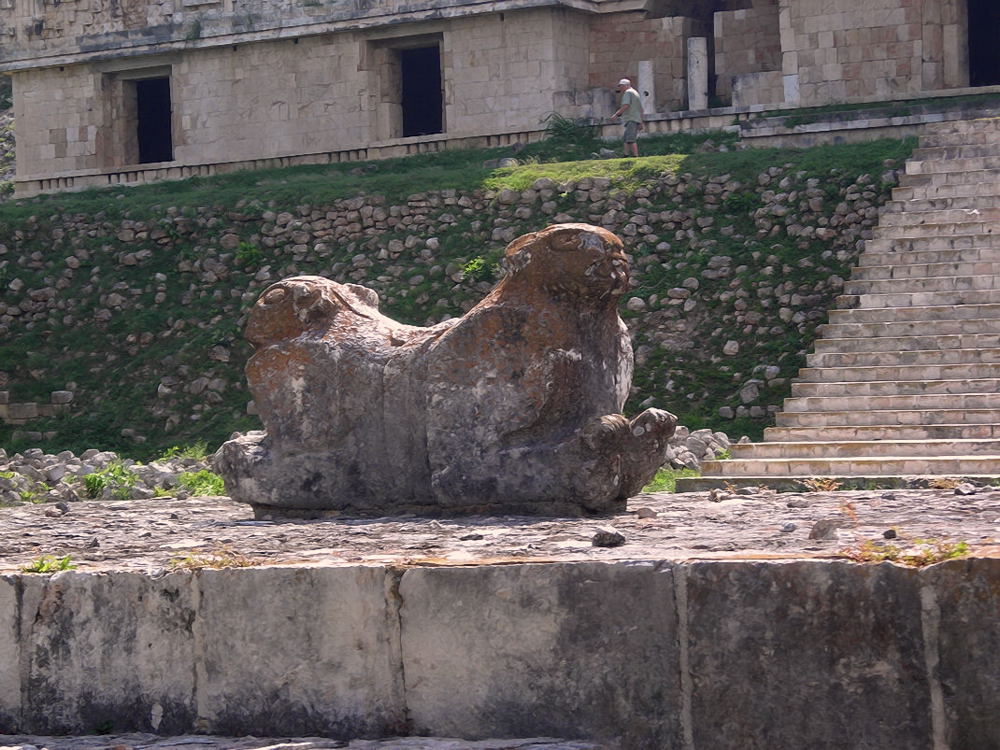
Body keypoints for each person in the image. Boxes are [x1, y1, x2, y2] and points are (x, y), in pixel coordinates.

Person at [611, 78, 642, 157]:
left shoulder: (628, 93)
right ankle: (626, 155)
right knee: (626, 138)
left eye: (621, 86)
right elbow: (640, 109)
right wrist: (640, 121)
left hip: (631, 118)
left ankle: (636, 156)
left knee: (631, 139)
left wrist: (616, 114)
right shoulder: (635, 93)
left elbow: (626, 105)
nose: (620, 88)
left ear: (626, 85)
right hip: (635, 118)